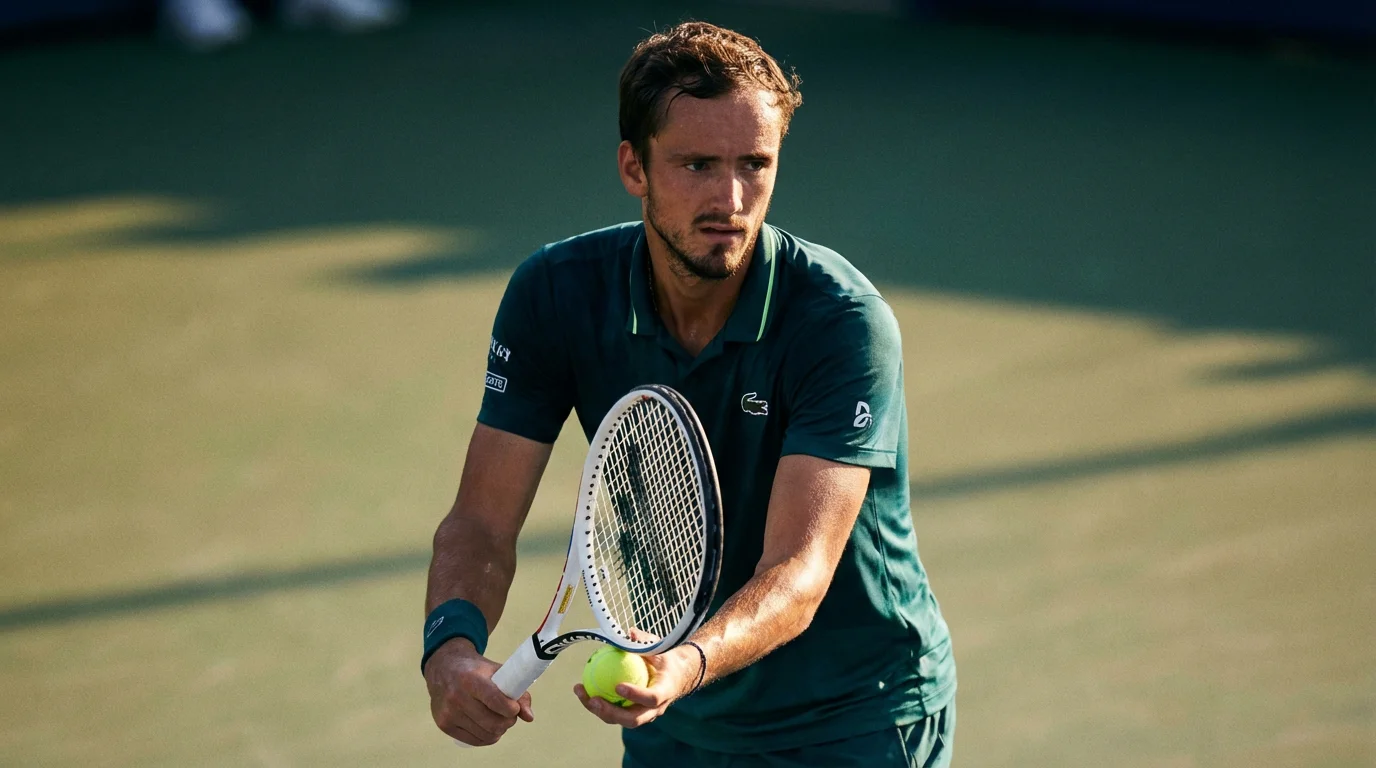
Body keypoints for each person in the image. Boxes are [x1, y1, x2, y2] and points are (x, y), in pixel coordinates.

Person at [421, 21, 956, 767]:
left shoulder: (840, 322)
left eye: (755, 164)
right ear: (633, 168)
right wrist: (449, 648)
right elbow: (481, 521)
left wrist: (686, 664)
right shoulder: (557, 295)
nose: (730, 199)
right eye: (697, 165)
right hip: (676, 723)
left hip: (854, 718)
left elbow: (798, 572)